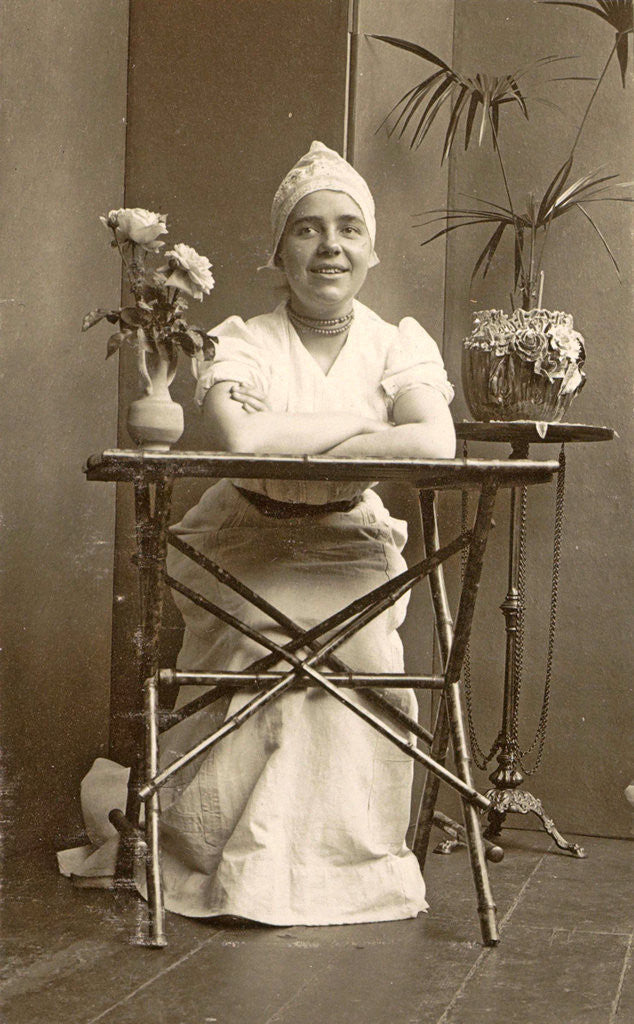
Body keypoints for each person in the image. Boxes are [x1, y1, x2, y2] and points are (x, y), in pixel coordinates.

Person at [59, 141, 455, 927]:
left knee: (362, 654)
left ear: (372, 250)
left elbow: (435, 443)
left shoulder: (397, 342)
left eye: (348, 228)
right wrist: (368, 425)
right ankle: (231, 861)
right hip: (248, 540)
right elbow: (242, 440)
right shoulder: (243, 339)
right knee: (266, 639)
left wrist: (297, 428)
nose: (330, 246)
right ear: (280, 251)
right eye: (308, 229)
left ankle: (344, 868)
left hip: (350, 543)